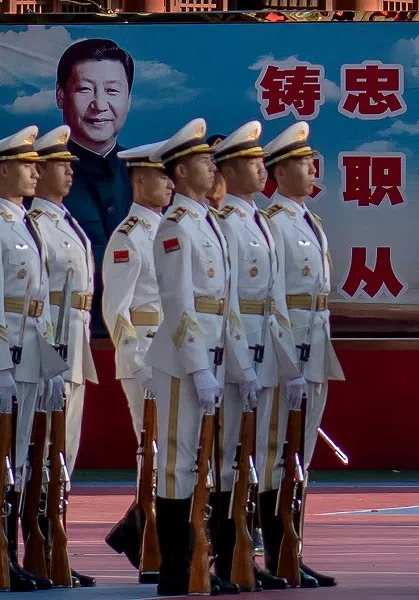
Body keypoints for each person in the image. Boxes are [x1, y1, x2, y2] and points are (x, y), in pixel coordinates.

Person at [145, 117, 257, 596]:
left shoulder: (210, 222)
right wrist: (197, 366)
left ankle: (199, 563)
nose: (213, 168)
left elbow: (226, 306)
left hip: (212, 356)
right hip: (180, 361)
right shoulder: (176, 226)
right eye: (203, 162)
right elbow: (179, 304)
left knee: (204, 461)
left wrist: (239, 366)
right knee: (178, 461)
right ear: (181, 170)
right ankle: (176, 568)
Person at [0, 126, 68, 592]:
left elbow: (37, 303)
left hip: (31, 359)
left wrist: (48, 365)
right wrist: (0, 365)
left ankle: (13, 560)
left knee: (19, 457)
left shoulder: (28, 225)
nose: (35, 172)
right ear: (3, 170)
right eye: (27, 165)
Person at [211, 121, 303, 591]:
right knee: (229, 455)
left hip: (265, 349)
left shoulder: (256, 222)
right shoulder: (226, 223)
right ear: (229, 168)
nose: (260, 168)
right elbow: (225, 301)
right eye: (251, 161)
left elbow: (275, 299)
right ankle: (226, 558)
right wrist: (239, 360)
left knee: (261, 453)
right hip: (236, 352)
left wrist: (286, 356)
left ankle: (251, 557)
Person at [261, 121, 345, 588]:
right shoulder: (272, 224)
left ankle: (293, 549)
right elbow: (273, 300)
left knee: (301, 455)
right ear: (280, 171)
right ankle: (275, 552)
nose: (313, 170)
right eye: (302, 163)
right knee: (276, 451)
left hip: (315, 347)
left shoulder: (309, 222)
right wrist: (288, 363)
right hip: (287, 352)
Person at [26, 124, 99, 588]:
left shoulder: (67, 221)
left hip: (74, 346)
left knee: (64, 452)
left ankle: (57, 546)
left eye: (72, 165)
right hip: (49, 349)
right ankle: (39, 546)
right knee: (43, 450)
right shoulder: (34, 225)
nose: (70, 173)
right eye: (60, 165)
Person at [101, 137, 171, 582]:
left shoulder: (165, 229)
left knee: (170, 454)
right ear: (139, 179)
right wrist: (136, 359)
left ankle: (137, 533)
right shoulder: (129, 235)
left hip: (170, 353)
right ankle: (147, 541)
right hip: (146, 353)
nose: (169, 184)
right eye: (161, 176)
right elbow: (117, 309)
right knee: (154, 452)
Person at [57, 38, 135, 339]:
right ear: (61, 96)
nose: (99, 105)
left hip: (138, 337)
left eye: (112, 91)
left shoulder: (147, 176)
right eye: (85, 89)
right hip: (72, 336)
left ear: (129, 99)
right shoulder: (39, 181)